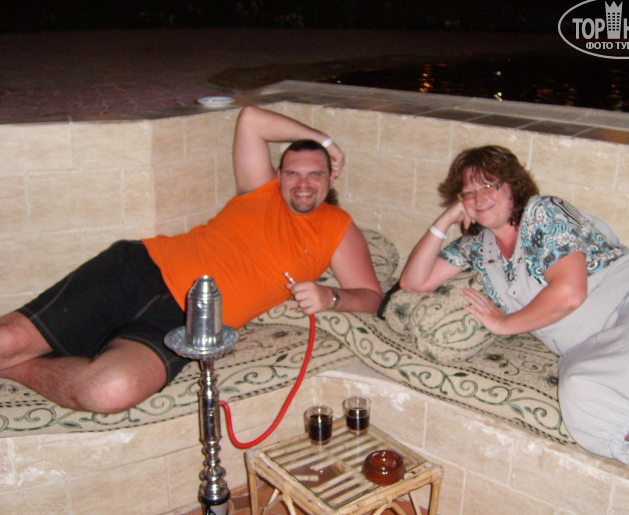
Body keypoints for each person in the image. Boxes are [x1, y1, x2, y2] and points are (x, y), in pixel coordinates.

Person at [0, 106, 383, 414]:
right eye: (293, 174)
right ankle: (20, 352)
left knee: (107, 391)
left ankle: (19, 367)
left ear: (330, 178)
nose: (303, 185)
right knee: (7, 340)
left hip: (189, 323)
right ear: (279, 175)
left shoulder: (339, 228)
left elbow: (370, 297)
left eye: (315, 174)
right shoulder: (259, 189)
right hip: (140, 269)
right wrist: (325, 141)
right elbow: (251, 119)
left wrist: (330, 297)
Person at [399, 144, 629, 463]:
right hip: (597, 341)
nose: (479, 198)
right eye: (468, 193)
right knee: (579, 397)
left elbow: (570, 293)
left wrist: (503, 324)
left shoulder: (542, 213)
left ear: (513, 186)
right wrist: (444, 220)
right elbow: (413, 282)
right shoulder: (476, 246)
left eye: (490, 186)